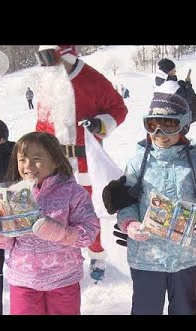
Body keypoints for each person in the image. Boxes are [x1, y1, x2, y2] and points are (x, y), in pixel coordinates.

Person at [116, 92, 196, 315]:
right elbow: (126, 201)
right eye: (152, 125)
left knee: (184, 309)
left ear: (183, 127)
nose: (159, 134)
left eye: (169, 126)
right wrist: (129, 223)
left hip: (186, 257)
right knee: (145, 309)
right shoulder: (138, 162)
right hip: (146, 256)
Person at [35, 45, 128, 282]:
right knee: (56, 208)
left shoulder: (93, 80)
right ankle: (64, 255)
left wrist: (100, 124)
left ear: (66, 54)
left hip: (86, 158)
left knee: (89, 209)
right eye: (41, 59)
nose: (46, 65)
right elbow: (41, 123)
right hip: (54, 160)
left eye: (49, 57)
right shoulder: (47, 83)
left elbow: (119, 108)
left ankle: (96, 254)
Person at [0, 132, 100, 315]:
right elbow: (8, 243)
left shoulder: (73, 193)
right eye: (22, 159)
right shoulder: (14, 195)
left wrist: (61, 233)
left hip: (64, 278)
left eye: (36, 158)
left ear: (55, 160)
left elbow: (90, 230)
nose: (28, 165)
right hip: (24, 279)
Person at [155, 58, 196, 126]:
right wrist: (188, 84)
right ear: (169, 71)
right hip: (175, 121)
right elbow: (189, 98)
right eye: (173, 69)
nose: (175, 71)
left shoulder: (157, 86)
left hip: (160, 119)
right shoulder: (173, 86)